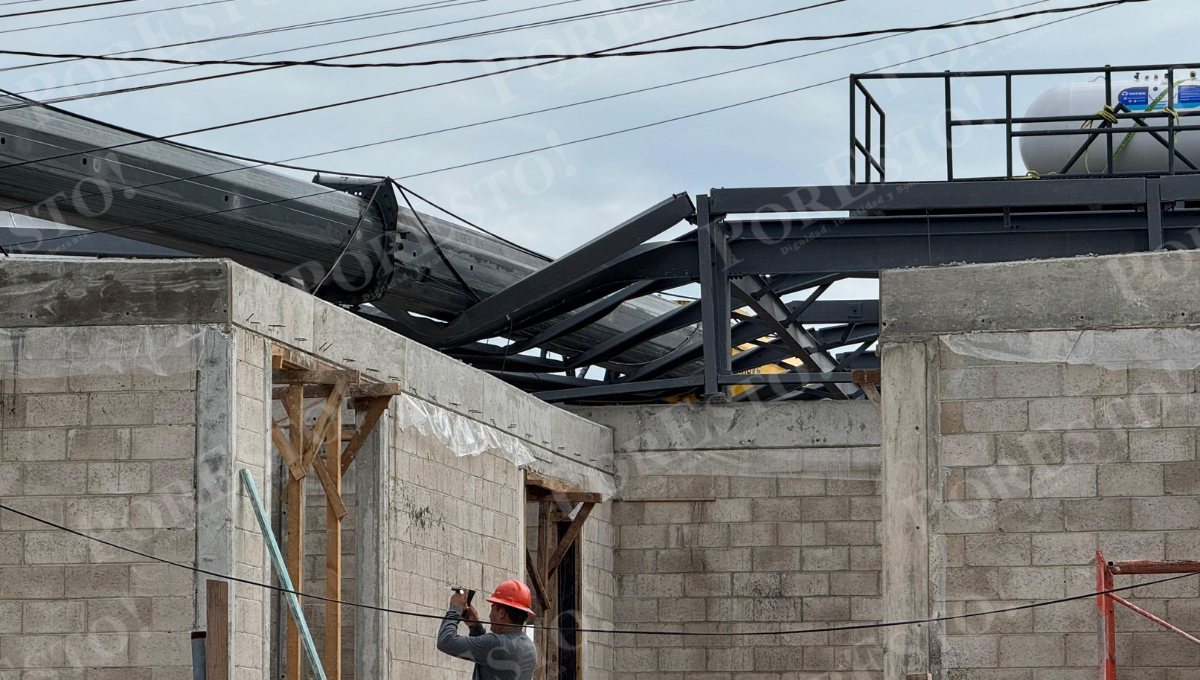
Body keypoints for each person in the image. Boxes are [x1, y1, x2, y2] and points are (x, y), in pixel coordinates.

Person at [437, 579, 538, 680]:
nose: (490, 616)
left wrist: (455, 609)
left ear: (502, 613)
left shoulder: (495, 643)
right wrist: (475, 627)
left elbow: (445, 641)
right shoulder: (529, 647)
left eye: (492, 609)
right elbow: (485, 652)